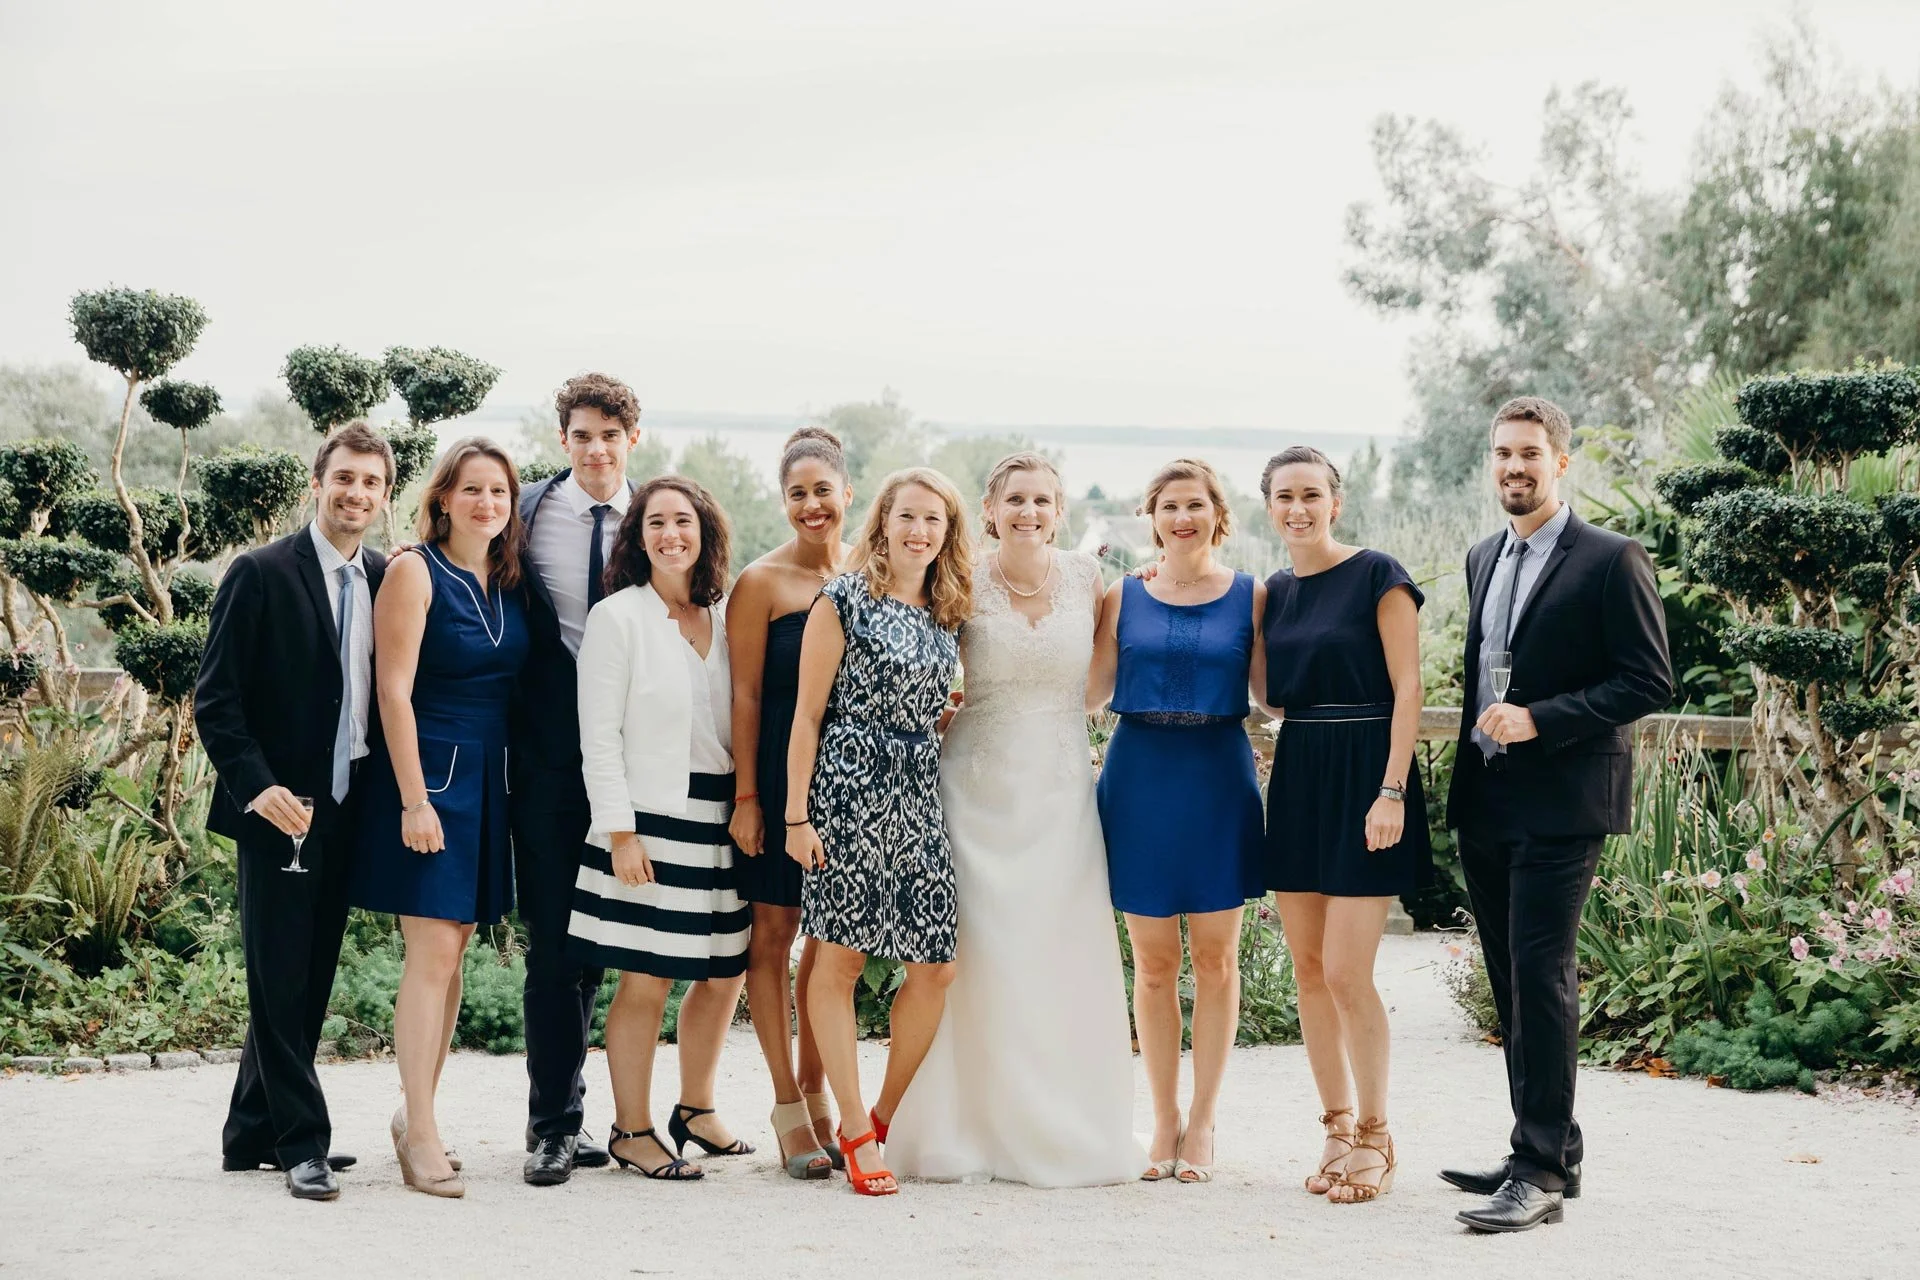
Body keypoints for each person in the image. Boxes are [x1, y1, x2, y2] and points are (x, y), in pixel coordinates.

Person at [1442, 397, 1672, 1233]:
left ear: (1560, 462)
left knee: (1542, 973)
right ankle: (1548, 1149)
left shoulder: (1612, 558)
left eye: (1530, 453)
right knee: (1511, 979)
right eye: (1503, 453)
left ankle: (1536, 1172)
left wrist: (1541, 718)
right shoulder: (1482, 555)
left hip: (1565, 800)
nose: (1515, 466)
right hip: (1488, 795)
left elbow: (1648, 680)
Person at [887, 454, 1143, 1188]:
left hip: (1059, 793)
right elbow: (916, 652)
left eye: (1042, 500)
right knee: (978, 952)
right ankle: (965, 1125)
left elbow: (1096, 688)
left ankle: (1067, 1122)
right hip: (974, 789)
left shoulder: (1091, 581)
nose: (1029, 512)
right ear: (990, 510)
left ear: (1059, 512)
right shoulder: (958, 575)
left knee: (1057, 948)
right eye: (1015, 500)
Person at [196, 422, 395, 1202]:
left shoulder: (384, 576)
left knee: (308, 978)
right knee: (279, 976)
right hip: (277, 812)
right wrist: (258, 787)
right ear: (318, 483)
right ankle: (302, 1141)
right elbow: (217, 700)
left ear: (385, 496)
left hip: (347, 810)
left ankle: (250, 1132)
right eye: (344, 477)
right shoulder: (260, 572)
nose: (355, 492)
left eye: (371, 482)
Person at [351, 436, 532, 1199]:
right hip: (428, 777)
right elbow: (391, 691)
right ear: (443, 499)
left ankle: (415, 1111)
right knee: (430, 952)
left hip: (491, 782)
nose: (487, 503)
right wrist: (414, 799)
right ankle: (420, 1133)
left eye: (499, 491)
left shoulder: (510, 579)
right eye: (472, 489)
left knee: (454, 951)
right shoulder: (413, 572)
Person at [785, 468, 971, 1196]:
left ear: (948, 532)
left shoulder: (948, 610)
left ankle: (878, 1118)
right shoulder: (844, 599)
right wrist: (796, 816)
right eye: (908, 517)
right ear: (883, 523)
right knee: (839, 961)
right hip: (847, 787)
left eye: (934, 520)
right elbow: (807, 716)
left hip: (918, 791)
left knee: (936, 967)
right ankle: (855, 1129)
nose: (919, 531)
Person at [566, 476, 754, 1181]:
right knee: (646, 979)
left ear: (705, 532)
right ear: (637, 537)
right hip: (648, 820)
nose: (671, 535)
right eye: (656, 523)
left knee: (725, 970)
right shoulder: (617, 618)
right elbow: (599, 737)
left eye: (683, 522)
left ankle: (696, 1110)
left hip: (721, 817)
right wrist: (619, 833)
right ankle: (632, 1129)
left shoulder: (726, 614)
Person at [1257, 446, 1427, 1205]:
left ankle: (1378, 1134)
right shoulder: (1274, 591)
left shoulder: (1379, 574)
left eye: (1311, 494)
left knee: (1347, 972)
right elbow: (1269, 695)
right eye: (1284, 496)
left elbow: (1408, 687)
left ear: (1336, 502)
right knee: (1307, 969)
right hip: (1300, 773)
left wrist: (1392, 789)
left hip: (1367, 772)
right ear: (1269, 506)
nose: (1298, 508)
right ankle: (1334, 1125)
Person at [1088, 457, 1264, 1186]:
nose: (1183, 517)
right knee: (1154, 964)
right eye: (1169, 506)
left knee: (1218, 962)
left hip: (1219, 777)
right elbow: (1088, 692)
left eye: (1196, 505)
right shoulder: (1120, 595)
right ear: (1151, 517)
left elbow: (1275, 694)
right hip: (1140, 778)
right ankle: (1163, 1117)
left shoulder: (1253, 595)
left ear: (1218, 514)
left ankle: (1206, 1118)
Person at [511, 373, 644, 1184]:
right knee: (555, 944)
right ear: (563, 440)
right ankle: (552, 1126)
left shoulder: (660, 516)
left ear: (633, 439)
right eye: (583, 435)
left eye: (610, 436)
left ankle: (590, 1110)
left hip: (635, 759)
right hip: (547, 756)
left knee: (605, 944)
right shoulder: (522, 510)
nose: (597, 450)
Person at [725, 427, 851, 1179]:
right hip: (775, 773)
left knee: (831, 939)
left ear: (847, 494)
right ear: (784, 502)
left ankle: (818, 1089)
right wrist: (748, 796)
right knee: (773, 933)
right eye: (797, 494)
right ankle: (785, 1105)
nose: (811, 505)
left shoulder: (869, 574)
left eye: (822, 491)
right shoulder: (761, 583)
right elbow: (743, 695)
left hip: (849, 777)